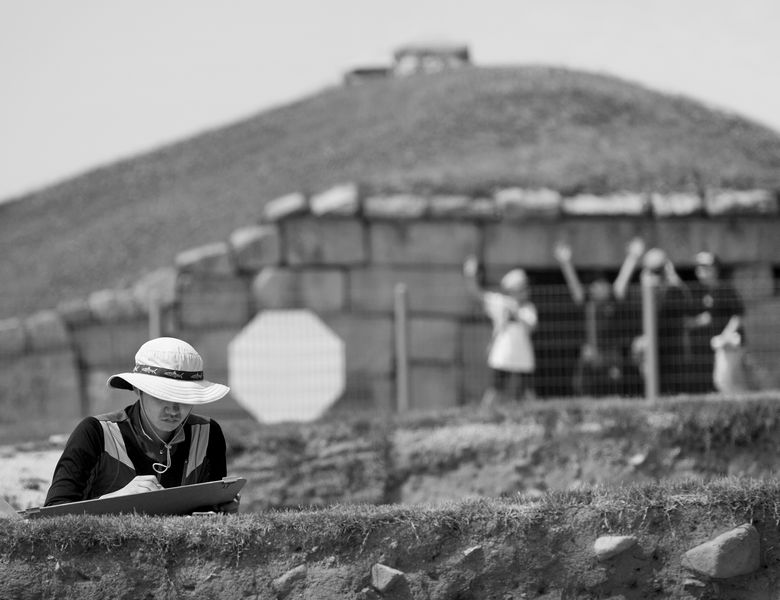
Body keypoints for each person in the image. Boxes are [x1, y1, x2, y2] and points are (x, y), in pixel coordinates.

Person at [45, 336, 238, 512]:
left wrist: (222, 510)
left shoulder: (208, 433)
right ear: (138, 390)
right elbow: (54, 511)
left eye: (185, 398)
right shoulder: (95, 432)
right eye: (162, 396)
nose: (173, 409)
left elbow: (209, 513)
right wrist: (117, 499)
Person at [553, 237, 645, 396]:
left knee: (614, 387)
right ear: (592, 288)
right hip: (591, 353)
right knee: (581, 385)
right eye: (596, 285)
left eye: (603, 284)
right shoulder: (586, 301)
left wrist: (634, 256)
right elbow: (573, 283)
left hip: (611, 354)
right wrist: (565, 262)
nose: (601, 288)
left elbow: (623, 278)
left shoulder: (614, 298)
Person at [463, 255, 538, 406]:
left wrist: (516, 312)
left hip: (522, 355)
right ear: (512, 290)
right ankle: (483, 414)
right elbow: (476, 293)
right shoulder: (500, 302)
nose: (526, 292)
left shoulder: (528, 308)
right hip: (504, 354)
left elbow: (532, 326)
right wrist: (470, 274)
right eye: (522, 289)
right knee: (496, 388)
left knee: (527, 389)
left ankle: (536, 412)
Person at [684, 251, 745, 393]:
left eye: (705, 266)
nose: (700, 270)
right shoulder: (707, 291)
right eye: (698, 266)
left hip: (730, 343)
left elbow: (739, 315)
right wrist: (691, 323)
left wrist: (725, 336)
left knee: (723, 381)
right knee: (729, 381)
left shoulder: (725, 289)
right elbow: (711, 316)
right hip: (719, 344)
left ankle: (740, 409)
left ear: (716, 269)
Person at [634, 248, 692, 395]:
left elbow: (687, 301)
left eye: (658, 270)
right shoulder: (647, 288)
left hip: (672, 346)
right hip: (652, 346)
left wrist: (672, 277)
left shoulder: (673, 289)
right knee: (652, 387)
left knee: (673, 387)